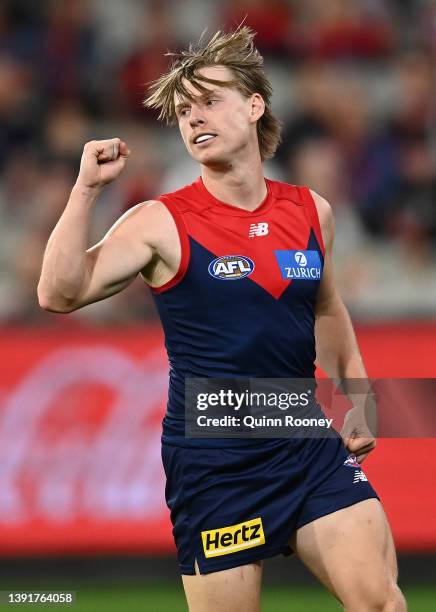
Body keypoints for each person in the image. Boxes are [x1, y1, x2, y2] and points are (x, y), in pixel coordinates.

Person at [38, 27, 406, 612]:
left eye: (210, 100)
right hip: (215, 460)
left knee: (382, 602)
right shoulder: (160, 221)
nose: (194, 118)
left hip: (303, 438)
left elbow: (328, 306)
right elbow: (57, 295)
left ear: (255, 105)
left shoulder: (312, 211)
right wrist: (84, 190)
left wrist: (357, 400)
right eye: (184, 110)